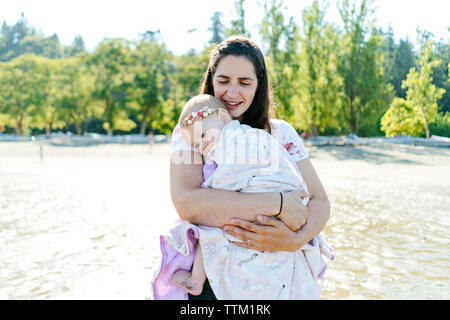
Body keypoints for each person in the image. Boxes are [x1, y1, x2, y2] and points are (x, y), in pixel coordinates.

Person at [168, 36, 330, 300]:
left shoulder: (282, 134)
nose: (232, 92)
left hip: (278, 278)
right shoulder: (192, 130)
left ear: (259, 84)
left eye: (244, 82)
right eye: (223, 81)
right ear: (211, 80)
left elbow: (320, 201)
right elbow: (187, 203)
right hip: (213, 281)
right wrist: (278, 204)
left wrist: (295, 240)